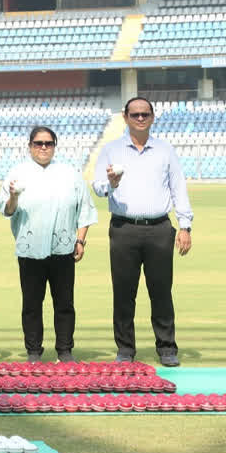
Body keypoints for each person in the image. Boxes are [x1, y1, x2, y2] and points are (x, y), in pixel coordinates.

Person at [92, 97, 192, 367]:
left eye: (144, 114)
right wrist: (110, 184)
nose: (139, 118)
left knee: (161, 291)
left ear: (152, 117)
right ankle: (125, 349)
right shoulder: (112, 150)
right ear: (125, 116)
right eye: (134, 114)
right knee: (124, 292)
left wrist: (185, 225)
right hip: (124, 228)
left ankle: (167, 348)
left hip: (160, 228)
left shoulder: (164, 150)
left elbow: (178, 188)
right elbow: (98, 187)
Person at [0, 126, 97, 363]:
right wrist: (13, 196)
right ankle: (33, 351)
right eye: (38, 143)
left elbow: (84, 208)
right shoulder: (17, 173)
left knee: (64, 302)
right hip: (30, 248)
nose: (43, 147)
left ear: (55, 146)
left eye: (48, 143)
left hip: (63, 248)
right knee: (31, 304)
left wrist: (81, 239)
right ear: (30, 145)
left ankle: (65, 349)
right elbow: (7, 210)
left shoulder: (69, 173)